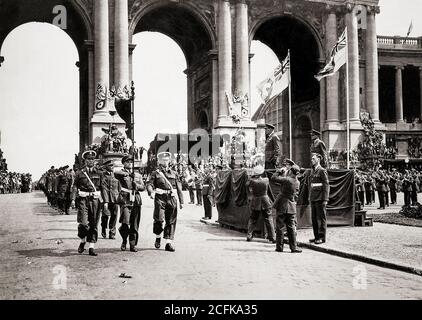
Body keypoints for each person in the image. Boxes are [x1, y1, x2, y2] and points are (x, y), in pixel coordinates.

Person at [146, 152, 184, 252]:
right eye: (163, 160)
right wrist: (151, 192)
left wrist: (181, 201)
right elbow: (149, 184)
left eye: (167, 160)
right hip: (160, 198)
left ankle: (168, 243)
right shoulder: (155, 173)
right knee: (158, 219)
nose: (165, 162)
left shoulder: (174, 173)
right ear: (159, 161)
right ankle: (158, 236)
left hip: (171, 199)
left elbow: (179, 187)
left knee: (171, 220)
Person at [71, 150, 104, 257]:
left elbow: (103, 188)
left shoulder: (99, 172)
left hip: (95, 201)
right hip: (83, 200)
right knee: (84, 223)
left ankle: (91, 247)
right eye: (88, 159)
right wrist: (72, 199)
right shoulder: (79, 173)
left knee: (94, 224)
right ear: (85, 160)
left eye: (92, 159)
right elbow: (75, 186)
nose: (91, 161)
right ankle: (82, 240)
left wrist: (105, 202)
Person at [115, 155, 145, 252]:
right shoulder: (121, 173)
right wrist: (127, 175)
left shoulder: (138, 175)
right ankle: (124, 241)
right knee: (125, 222)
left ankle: (132, 244)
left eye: (131, 162)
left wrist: (136, 185)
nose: (129, 164)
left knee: (134, 223)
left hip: (136, 199)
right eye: (127, 162)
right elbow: (115, 173)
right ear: (123, 163)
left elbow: (143, 187)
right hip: (125, 200)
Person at [271, 164, 302, 253]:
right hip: (291, 206)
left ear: (291, 172)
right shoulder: (297, 182)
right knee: (291, 227)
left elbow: (273, 178)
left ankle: (279, 247)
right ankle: (293, 247)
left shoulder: (287, 180)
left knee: (280, 227)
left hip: (282, 205)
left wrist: (280, 171)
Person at [245, 165, 276, 243]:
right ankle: (272, 237)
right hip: (265, 201)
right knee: (269, 219)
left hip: (255, 201)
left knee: (253, 219)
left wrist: (252, 176)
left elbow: (247, 185)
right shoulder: (266, 180)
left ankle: (249, 235)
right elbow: (269, 190)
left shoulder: (252, 180)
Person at [309, 153, 330, 245]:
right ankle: (316, 236)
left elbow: (326, 185)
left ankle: (322, 237)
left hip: (320, 198)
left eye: (313, 159)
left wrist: (325, 199)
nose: (312, 160)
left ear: (318, 159)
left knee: (321, 218)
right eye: (312, 159)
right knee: (314, 218)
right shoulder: (313, 170)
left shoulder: (322, 170)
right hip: (313, 197)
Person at [100, 159, 121, 240]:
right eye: (110, 165)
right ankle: (103, 229)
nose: (112, 167)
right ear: (106, 167)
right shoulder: (103, 175)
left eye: (113, 165)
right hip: (107, 199)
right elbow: (103, 188)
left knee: (114, 216)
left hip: (115, 199)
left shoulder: (115, 175)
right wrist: (105, 201)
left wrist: (119, 197)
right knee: (105, 216)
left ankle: (112, 233)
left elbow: (119, 187)